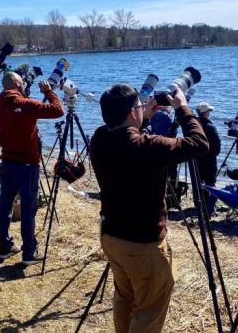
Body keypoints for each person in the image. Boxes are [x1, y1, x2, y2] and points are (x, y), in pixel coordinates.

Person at [89, 85, 209, 333]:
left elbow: (126, 140)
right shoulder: (148, 147)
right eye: (138, 107)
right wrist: (183, 108)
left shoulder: (99, 138)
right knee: (149, 310)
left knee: (125, 297)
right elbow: (199, 143)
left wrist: (144, 117)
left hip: (112, 236)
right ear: (132, 114)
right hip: (143, 245)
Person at [0, 72, 64, 264]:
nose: (24, 84)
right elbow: (58, 110)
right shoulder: (27, 105)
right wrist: (49, 91)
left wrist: (11, 144)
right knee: (28, 209)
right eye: (22, 82)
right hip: (27, 165)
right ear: (17, 83)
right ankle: (29, 252)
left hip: (7, 162)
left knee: (5, 205)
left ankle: (4, 246)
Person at [196, 101, 221, 217]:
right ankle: (208, 207)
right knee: (210, 182)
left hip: (197, 158)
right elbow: (216, 144)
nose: (210, 113)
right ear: (205, 113)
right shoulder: (210, 126)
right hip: (209, 158)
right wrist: (214, 154)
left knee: (198, 181)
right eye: (209, 111)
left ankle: (200, 204)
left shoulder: (194, 124)